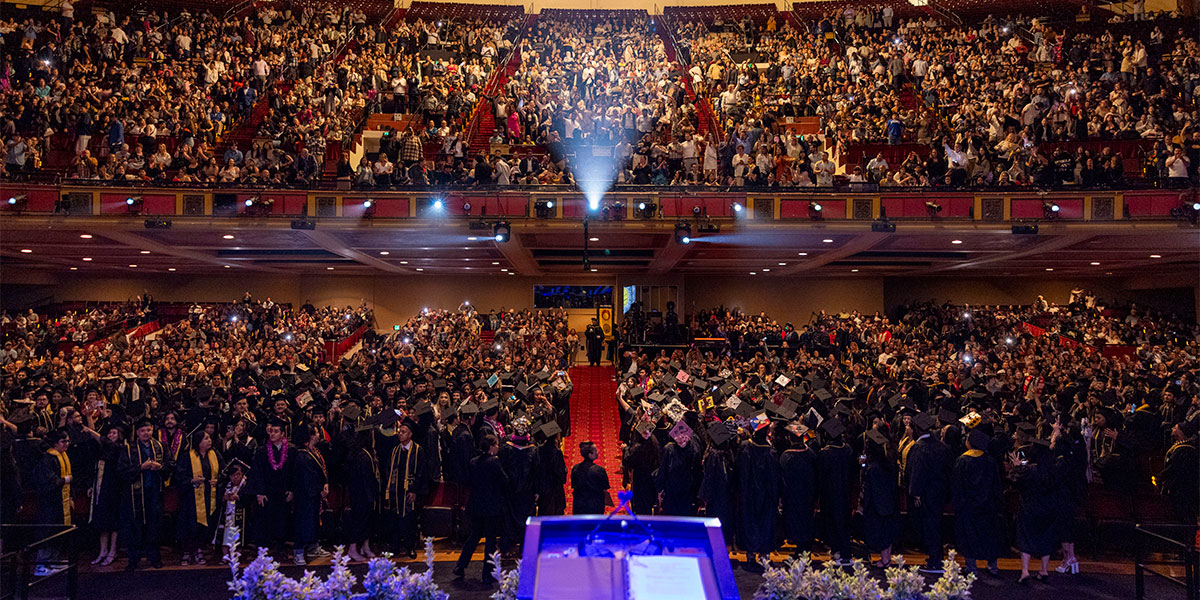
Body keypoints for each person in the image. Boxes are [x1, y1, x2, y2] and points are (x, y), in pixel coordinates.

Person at [454, 434, 507, 584]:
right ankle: (487, 573)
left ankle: (460, 565)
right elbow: (504, 481)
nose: (497, 448)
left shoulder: (473, 462)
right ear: (491, 446)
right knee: (490, 539)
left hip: (476, 505)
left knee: (474, 537)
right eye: (496, 445)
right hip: (491, 507)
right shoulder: (494, 462)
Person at [951, 428, 1002, 575]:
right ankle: (993, 567)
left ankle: (971, 567)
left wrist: (958, 504)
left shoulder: (962, 461)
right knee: (989, 536)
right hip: (988, 506)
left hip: (968, 507)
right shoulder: (990, 462)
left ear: (969, 443)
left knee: (969, 537)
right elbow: (996, 485)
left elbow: (957, 486)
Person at [119, 417, 166, 571]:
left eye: (148, 430)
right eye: (142, 431)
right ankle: (134, 560)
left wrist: (160, 467)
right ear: (137, 433)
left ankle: (154, 558)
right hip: (135, 495)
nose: (146, 433)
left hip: (154, 492)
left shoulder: (160, 446)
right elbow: (121, 472)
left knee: (154, 526)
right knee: (135, 527)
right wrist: (141, 467)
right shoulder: (128, 449)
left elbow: (171, 465)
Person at [905, 413, 951, 573]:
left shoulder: (919, 448)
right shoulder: (942, 446)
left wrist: (916, 493)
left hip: (925, 493)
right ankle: (937, 557)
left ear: (917, 429)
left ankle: (934, 561)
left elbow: (917, 472)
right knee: (936, 525)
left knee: (929, 526)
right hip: (939, 491)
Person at [1011, 438, 1056, 583]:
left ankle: (1025, 571)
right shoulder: (1053, 470)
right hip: (1048, 509)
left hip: (1029, 508)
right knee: (1046, 538)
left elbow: (1016, 482)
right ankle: (1043, 570)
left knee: (1026, 537)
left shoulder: (1029, 470)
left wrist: (1017, 467)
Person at [246, 418, 293, 556]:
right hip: (267, 491)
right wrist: (259, 492)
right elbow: (257, 472)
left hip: (283, 491)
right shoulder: (262, 451)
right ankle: (264, 548)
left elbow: (292, 472)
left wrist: (291, 490)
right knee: (265, 519)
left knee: (282, 519)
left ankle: (280, 546)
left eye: (276, 431)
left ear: (282, 434)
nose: (272, 434)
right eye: (271, 431)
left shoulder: (291, 450)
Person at [736, 427, 779, 572]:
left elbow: (740, 474)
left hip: (749, 493)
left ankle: (749, 555)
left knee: (750, 523)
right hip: (766, 495)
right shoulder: (771, 452)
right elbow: (774, 478)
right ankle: (764, 555)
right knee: (765, 524)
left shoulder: (745, 448)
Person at [385, 418, 430, 558]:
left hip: (410, 491)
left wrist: (414, 490)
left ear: (410, 434)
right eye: (400, 432)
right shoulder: (395, 451)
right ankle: (395, 547)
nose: (400, 434)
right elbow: (389, 470)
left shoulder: (418, 450)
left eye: (403, 432)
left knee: (410, 519)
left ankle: (410, 547)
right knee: (395, 519)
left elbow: (421, 472)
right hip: (397, 491)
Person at [175, 429, 220, 566]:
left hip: (207, 496)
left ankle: (200, 549)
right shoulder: (187, 456)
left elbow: (223, 471)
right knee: (189, 524)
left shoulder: (214, 454)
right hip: (190, 497)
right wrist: (191, 480)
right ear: (198, 442)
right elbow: (179, 476)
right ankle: (187, 552)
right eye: (206, 438)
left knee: (204, 524)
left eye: (209, 438)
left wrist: (217, 481)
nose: (209, 440)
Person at [34, 429, 73, 576]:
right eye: (63, 441)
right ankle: (42, 565)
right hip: (49, 503)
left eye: (68, 441)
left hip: (61, 503)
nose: (67, 444)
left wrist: (70, 497)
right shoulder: (47, 459)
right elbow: (49, 482)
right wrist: (65, 480)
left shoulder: (63, 456)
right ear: (55, 443)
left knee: (59, 532)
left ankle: (53, 561)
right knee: (48, 532)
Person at [291, 424, 330, 566]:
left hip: (314, 494)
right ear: (310, 436)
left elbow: (321, 471)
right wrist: (319, 489)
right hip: (305, 495)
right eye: (316, 433)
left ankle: (313, 546)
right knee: (303, 522)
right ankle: (298, 551)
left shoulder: (315, 451)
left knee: (313, 521)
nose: (319, 435)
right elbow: (307, 477)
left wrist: (325, 484)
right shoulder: (302, 455)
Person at [862, 429, 900, 568]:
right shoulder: (891, 463)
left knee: (881, 532)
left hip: (877, 504)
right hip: (890, 501)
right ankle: (887, 559)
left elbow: (869, 488)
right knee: (888, 531)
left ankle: (884, 560)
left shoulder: (873, 468)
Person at [779, 427, 817, 557]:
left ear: (789, 438)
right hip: (808, 494)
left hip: (792, 495)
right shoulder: (810, 454)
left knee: (795, 522)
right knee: (806, 521)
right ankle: (805, 550)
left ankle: (800, 550)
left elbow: (782, 477)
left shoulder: (786, 456)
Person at [90, 422, 123, 566]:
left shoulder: (120, 448)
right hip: (100, 487)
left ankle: (112, 550)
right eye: (109, 433)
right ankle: (103, 551)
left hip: (114, 488)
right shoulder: (102, 450)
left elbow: (105, 441)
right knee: (102, 520)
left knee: (113, 521)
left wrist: (90, 428)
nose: (110, 436)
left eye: (114, 433)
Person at [345, 428, 380, 562]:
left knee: (367, 521)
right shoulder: (362, 456)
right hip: (362, 494)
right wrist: (371, 494)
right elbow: (366, 478)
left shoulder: (365, 453)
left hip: (364, 493)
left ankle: (365, 546)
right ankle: (353, 549)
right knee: (359, 520)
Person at [571, 441, 610, 514]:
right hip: (595, 505)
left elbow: (573, 485)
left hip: (579, 504)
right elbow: (605, 486)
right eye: (595, 450)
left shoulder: (575, 468)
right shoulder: (599, 470)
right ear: (589, 454)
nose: (597, 452)